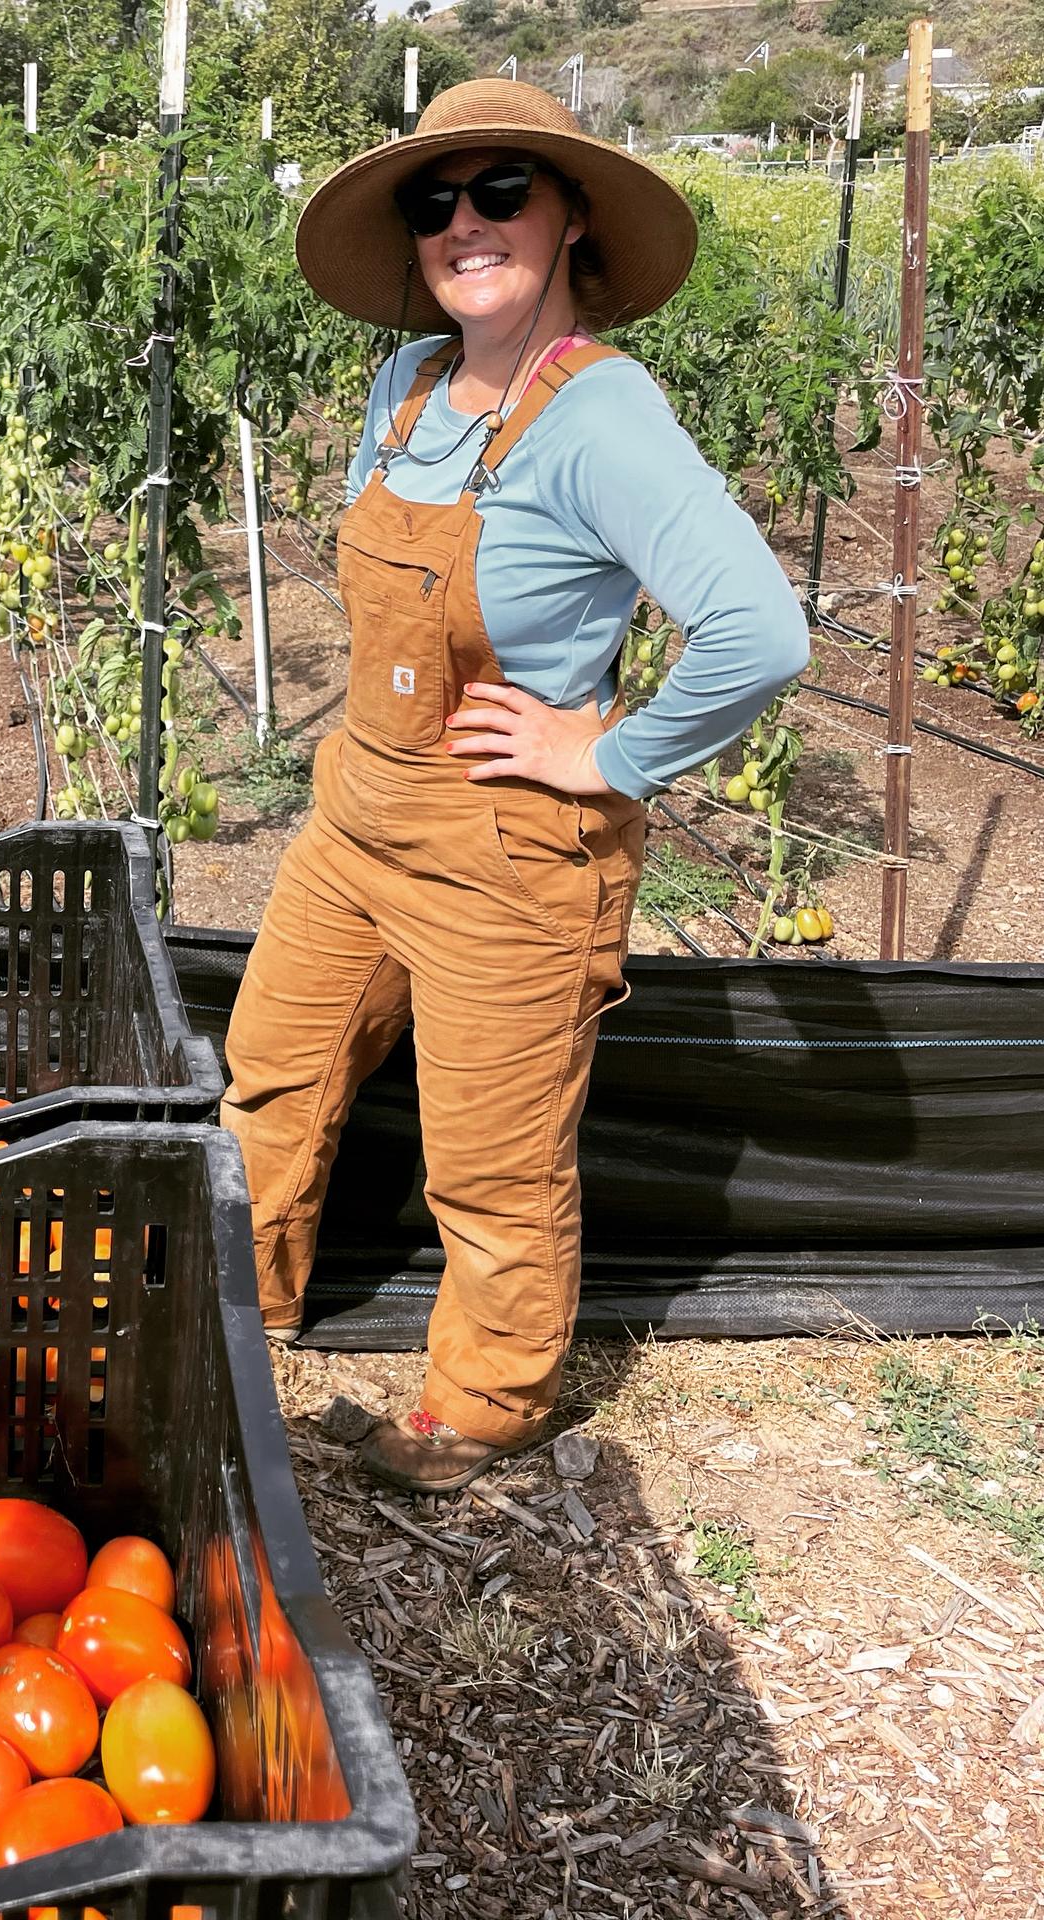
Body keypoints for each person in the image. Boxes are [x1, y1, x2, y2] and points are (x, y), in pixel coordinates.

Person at [219, 80, 808, 1494]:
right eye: (436, 203)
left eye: (501, 197)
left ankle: (490, 1399)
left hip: (507, 844)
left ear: (570, 217)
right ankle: (244, 1322)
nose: (465, 226)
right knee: (272, 1081)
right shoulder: (408, 383)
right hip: (359, 817)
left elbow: (759, 630)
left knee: (489, 1161)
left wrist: (604, 753)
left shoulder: (601, 413)